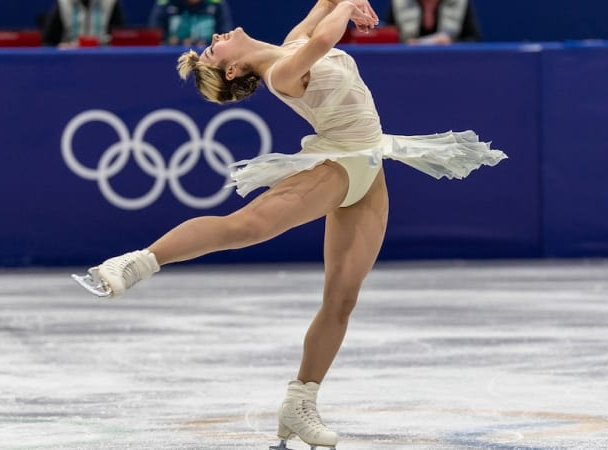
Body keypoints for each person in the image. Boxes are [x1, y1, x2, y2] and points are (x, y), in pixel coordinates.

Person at [72, 0, 506, 448]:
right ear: (233, 70)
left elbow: (324, 8)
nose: (214, 40)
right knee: (245, 227)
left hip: (371, 167)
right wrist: (351, 7)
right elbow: (325, 38)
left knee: (341, 300)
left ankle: (300, 403)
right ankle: (135, 263)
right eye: (211, 53)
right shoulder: (282, 73)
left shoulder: (288, 45)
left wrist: (346, 3)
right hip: (336, 163)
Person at [385, 0, 481, 45]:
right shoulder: (399, 3)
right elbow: (387, 40)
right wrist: (405, 45)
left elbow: (473, 40)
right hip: (407, 64)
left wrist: (451, 43)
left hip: (449, 64)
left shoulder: (459, 2)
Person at [149, 0, 233, 47]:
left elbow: (225, 38)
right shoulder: (165, 3)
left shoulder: (216, 3)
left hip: (207, 59)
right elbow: (154, 39)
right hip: (169, 59)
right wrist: (177, 43)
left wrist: (204, 44)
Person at [42, 0, 125, 47]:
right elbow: (48, 42)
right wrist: (60, 47)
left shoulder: (110, 3)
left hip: (104, 60)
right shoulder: (63, 4)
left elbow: (119, 39)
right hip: (71, 61)